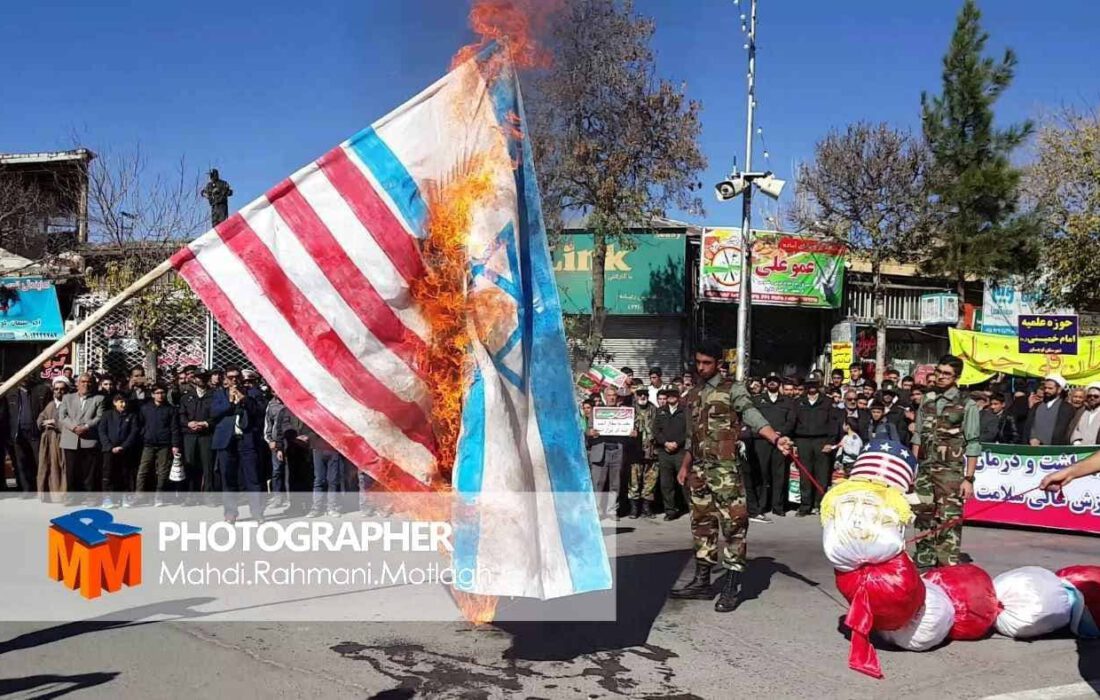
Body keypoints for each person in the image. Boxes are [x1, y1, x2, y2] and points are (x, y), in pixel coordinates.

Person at [669, 339, 793, 613]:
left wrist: (775, 438)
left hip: (725, 471)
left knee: (734, 526)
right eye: (698, 362)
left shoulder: (732, 389)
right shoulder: (694, 394)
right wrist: (685, 466)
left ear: (718, 365)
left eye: (707, 363)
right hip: (699, 470)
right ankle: (702, 582)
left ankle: (732, 586)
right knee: (701, 525)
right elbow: (693, 436)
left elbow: (751, 414)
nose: (701, 367)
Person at [911, 355, 981, 570]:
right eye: (939, 372)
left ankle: (946, 567)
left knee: (948, 519)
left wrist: (968, 479)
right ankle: (923, 562)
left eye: (946, 374)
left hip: (951, 473)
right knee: (922, 514)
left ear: (956, 377)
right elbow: (918, 435)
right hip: (925, 469)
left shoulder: (967, 405)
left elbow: (973, 443)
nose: (941, 377)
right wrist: (916, 467)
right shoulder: (927, 399)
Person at [212, 367, 264, 523]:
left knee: (253, 477)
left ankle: (257, 512)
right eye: (230, 377)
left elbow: (259, 411)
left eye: (237, 377)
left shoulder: (251, 393)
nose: (234, 380)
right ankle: (230, 513)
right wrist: (230, 402)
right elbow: (214, 412)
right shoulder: (219, 394)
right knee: (228, 478)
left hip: (246, 439)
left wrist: (243, 399)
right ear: (225, 379)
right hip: (227, 440)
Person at [792, 379, 841, 516]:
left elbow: (833, 423)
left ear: (818, 386)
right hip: (803, 440)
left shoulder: (827, 401)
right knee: (805, 475)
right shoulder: (798, 402)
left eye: (814, 385)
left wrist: (830, 443)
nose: (812, 387)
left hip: (822, 440)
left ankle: (820, 504)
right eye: (809, 385)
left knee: (822, 474)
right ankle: (805, 505)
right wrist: (794, 443)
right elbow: (793, 422)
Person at [749, 373, 794, 520]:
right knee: (761, 474)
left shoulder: (787, 401)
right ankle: (761, 506)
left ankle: (778, 506)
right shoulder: (757, 400)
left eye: (775, 381)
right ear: (766, 383)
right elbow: (753, 419)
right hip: (761, 441)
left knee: (779, 474)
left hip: (781, 441)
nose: (772, 383)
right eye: (770, 381)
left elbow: (791, 420)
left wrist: (782, 432)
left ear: (779, 383)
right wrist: (767, 433)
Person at [57, 373, 106, 505]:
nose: (86, 384)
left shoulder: (99, 399)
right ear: (77, 384)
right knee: (71, 471)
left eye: (89, 382)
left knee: (88, 472)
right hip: (70, 439)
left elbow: (99, 417)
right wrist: (74, 428)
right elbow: (62, 416)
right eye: (83, 381)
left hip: (88, 439)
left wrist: (86, 427)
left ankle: (90, 498)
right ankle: (72, 498)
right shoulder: (67, 398)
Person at [587, 385, 630, 519]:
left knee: (615, 483)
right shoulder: (596, 412)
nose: (612, 397)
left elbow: (629, 429)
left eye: (614, 395)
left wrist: (632, 433)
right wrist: (590, 432)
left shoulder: (624, 413)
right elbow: (587, 430)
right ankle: (597, 511)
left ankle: (612, 511)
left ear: (617, 397)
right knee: (598, 483)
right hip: (601, 450)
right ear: (605, 397)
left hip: (616, 450)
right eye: (609, 395)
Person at [135, 385, 182, 507]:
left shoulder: (170, 409)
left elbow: (174, 428)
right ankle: (139, 496)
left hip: (164, 444)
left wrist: (175, 444)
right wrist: (144, 435)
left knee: (163, 471)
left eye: (162, 392)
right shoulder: (145, 408)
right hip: (148, 444)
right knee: (143, 470)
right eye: (157, 392)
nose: (160, 395)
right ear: (152, 394)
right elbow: (140, 424)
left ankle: (159, 496)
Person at [5, 376, 50, 495]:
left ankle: (40, 489)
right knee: (21, 462)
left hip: (35, 432)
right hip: (18, 433)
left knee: (38, 461)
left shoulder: (41, 391)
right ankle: (26, 490)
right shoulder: (11, 393)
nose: (24, 379)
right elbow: (6, 414)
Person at [179, 369, 217, 503]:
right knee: (191, 465)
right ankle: (191, 496)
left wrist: (206, 423)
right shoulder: (187, 396)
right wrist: (188, 423)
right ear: (194, 379)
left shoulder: (214, 396)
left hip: (206, 435)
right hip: (190, 435)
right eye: (198, 377)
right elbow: (181, 415)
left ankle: (209, 496)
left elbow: (217, 415)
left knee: (208, 466)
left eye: (204, 377)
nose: (201, 380)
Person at [98, 392, 141, 508]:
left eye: (125, 402)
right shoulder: (107, 414)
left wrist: (124, 446)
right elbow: (102, 431)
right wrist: (110, 447)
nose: (123, 404)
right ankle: (107, 498)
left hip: (125, 450)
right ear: (114, 403)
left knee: (125, 473)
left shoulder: (132, 416)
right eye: (121, 402)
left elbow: (134, 432)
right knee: (108, 474)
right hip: (109, 450)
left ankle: (125, 497)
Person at [653, 388, 688, 520]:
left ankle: (689, 507)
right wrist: (665, 443)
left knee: (683, 480)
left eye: (674, 395)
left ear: (678, 397)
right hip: (664, 451)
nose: (671, 398)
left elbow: (688, 431)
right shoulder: (661, 411)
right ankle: (670, 510)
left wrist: (677, 443)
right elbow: (655, 430)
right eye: (669, 396)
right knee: (666, 483)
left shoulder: (685, 411)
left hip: (680, 451)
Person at [35, 376, 70, 501]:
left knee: (61, 466)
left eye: (62, 389)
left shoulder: (70, 404)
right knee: (47, 466)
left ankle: (62, 495)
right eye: (56, 389)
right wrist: (43, 422)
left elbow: (72, 422)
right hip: (48, 441)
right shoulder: (50, 404)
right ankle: (48, 495)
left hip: (62, 440)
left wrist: (55, 423)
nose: (59, 392)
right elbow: (41, 417)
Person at [626, 388, 658, 518]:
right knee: (633, 481)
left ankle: (647, 508)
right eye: (640, 394)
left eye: (645, 394)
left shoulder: (654, 409)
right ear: (636, 396)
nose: (643, 396)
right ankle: (634, 508)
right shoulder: (629, 411)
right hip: (635, 451)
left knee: (650, 481)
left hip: (652, 451)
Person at [1022, 376, 1076, 446]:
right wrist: (1032, 437)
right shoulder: (1036, 406)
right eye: (1045, 388)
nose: (1046, 391)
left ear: (1059, 390)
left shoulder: (1067, 408)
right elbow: (1029, 426)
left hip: (1055, 451)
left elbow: (1065, 431)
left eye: (1050, 388)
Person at [263, 390, 292, 508]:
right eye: (274, 391)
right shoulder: (271, 406)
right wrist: (269, 440)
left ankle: (291, 498)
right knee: (277, 471)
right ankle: (278, 498)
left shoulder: (291, 403)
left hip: (290, 441)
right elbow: (268, 424)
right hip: (276, 442)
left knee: (290, 471)